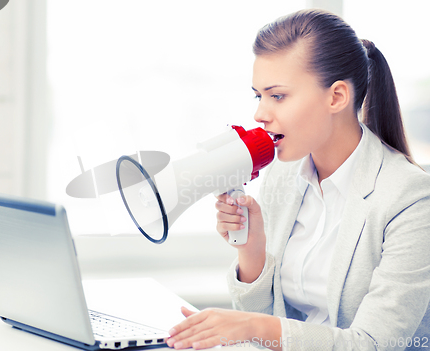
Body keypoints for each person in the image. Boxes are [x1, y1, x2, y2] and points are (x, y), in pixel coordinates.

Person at [166, 9, 430, 351]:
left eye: (277, 96)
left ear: (336, 97)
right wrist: (253, 253)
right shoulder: (284, 176)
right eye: (258, 95)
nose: (260, 113)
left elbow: (374, 344)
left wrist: (250, 325)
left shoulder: (410, 199)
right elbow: (265, 333)